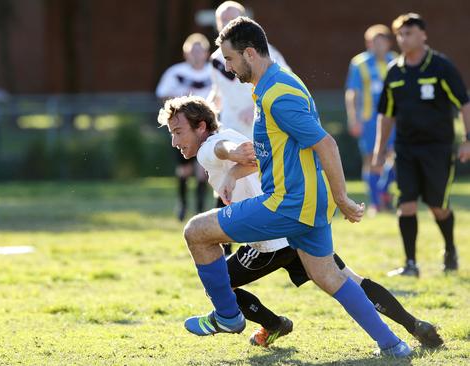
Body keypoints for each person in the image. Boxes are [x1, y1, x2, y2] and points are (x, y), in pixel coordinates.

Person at [177, 16, 411, 357]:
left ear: (250, 53)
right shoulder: (274, 85)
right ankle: (394, 345)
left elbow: (326, 144)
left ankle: (228, 316)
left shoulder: (277, 94)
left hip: (288, 204)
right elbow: (273, 150)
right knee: (329, 277)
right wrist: (231, 175)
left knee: (196, 230)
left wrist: (342, 198)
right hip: (307, 203)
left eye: (229, 59)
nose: (226, 67)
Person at [157, 95, 443, 348]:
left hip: (269, 240)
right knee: (348, 280)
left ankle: (273, 325)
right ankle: (412, 324)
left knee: (219, 283)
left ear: (201, 126)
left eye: (178, 132)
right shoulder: (230, 133)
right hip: (294, 229)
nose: (174, 141)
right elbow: (246, 156)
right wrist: (233, 170)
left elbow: (221, 148)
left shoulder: (210, 147)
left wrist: (231, 155)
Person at [372, 13, 470, 277]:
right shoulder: (395, 71)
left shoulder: (440, 66)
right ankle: (410, 264)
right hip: (405, 149)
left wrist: (467, 140)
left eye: (410, 33)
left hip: (438, 148)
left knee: (438, 207)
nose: (404, 39)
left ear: (423, 35)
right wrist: (379, 151)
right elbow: (386, 113)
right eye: (401, 34)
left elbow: (464, 102)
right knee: (406, 204)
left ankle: (450, 249)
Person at [207, 1, 291, 254]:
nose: (226, 25)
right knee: (225, 183)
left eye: (231, 19)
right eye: (222, 21)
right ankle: (224, 250)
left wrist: (256, 104)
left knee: (261, 187)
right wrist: (208, 110)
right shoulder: (216, 59)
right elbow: (219, 91)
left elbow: (284, 81)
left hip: (259, 133)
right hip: (231, 132)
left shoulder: (267, 52)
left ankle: (275, 247)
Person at [156, 33, 213, 220]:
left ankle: (200, 209)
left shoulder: (214, 71)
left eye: (200, 50)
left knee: (203, 169)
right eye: (192, 51)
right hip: (184, 127)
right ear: (186, 53)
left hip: (204, 127)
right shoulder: (176, 72)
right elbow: (163, 94)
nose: (196, 55)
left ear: (206, 53)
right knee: (184, 169)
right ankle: (182, 204)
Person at [345, 25, 398, 214]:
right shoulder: (359, 63)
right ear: (368, 44)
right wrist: (354, 119)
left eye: (382, 43)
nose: (378, 47)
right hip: (369, 120)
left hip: (393, 119)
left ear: (388, 43)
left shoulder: (396, 61)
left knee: (396, 157)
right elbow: (352, 92)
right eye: (374, 43)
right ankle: (376, 203)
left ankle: (384, 192)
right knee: (371, 160)